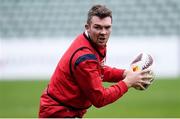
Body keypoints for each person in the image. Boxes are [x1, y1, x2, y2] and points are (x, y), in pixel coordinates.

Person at [39, 4, 153, 118]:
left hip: (65, 110)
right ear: (87, 27)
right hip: (58, 112)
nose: (103, 32)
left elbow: (97, 69)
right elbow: (100, 99)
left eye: (107, 27)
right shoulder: (84, 56)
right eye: (97, 27)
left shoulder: (91, 42)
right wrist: (128, 82)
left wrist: (124, 73)